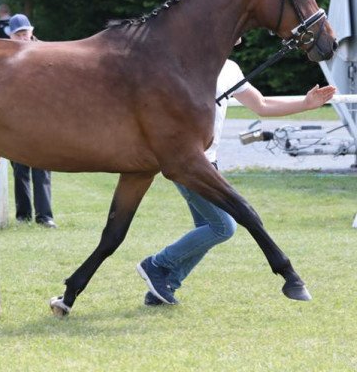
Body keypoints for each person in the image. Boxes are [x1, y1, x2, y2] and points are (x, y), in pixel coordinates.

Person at [137, 55, 336, 306]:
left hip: (210, 163)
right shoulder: (185, 61)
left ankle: (165, 285)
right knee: (223, 227)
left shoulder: (230, 68)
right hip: (186, 164)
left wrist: (305, 104)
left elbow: (261, 104)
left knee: (207, 229)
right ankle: (157, 264)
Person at [8, 13, 57, 228]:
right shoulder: (5, 56)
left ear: (32, 32)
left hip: (42, 121)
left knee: (42, 168)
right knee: (19, 170)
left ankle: (45, 216)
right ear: (11, 36)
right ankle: (23, 215)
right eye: (18, 34)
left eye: (25, 33)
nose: (23, 37)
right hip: (15, 121)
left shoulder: (46, 53)